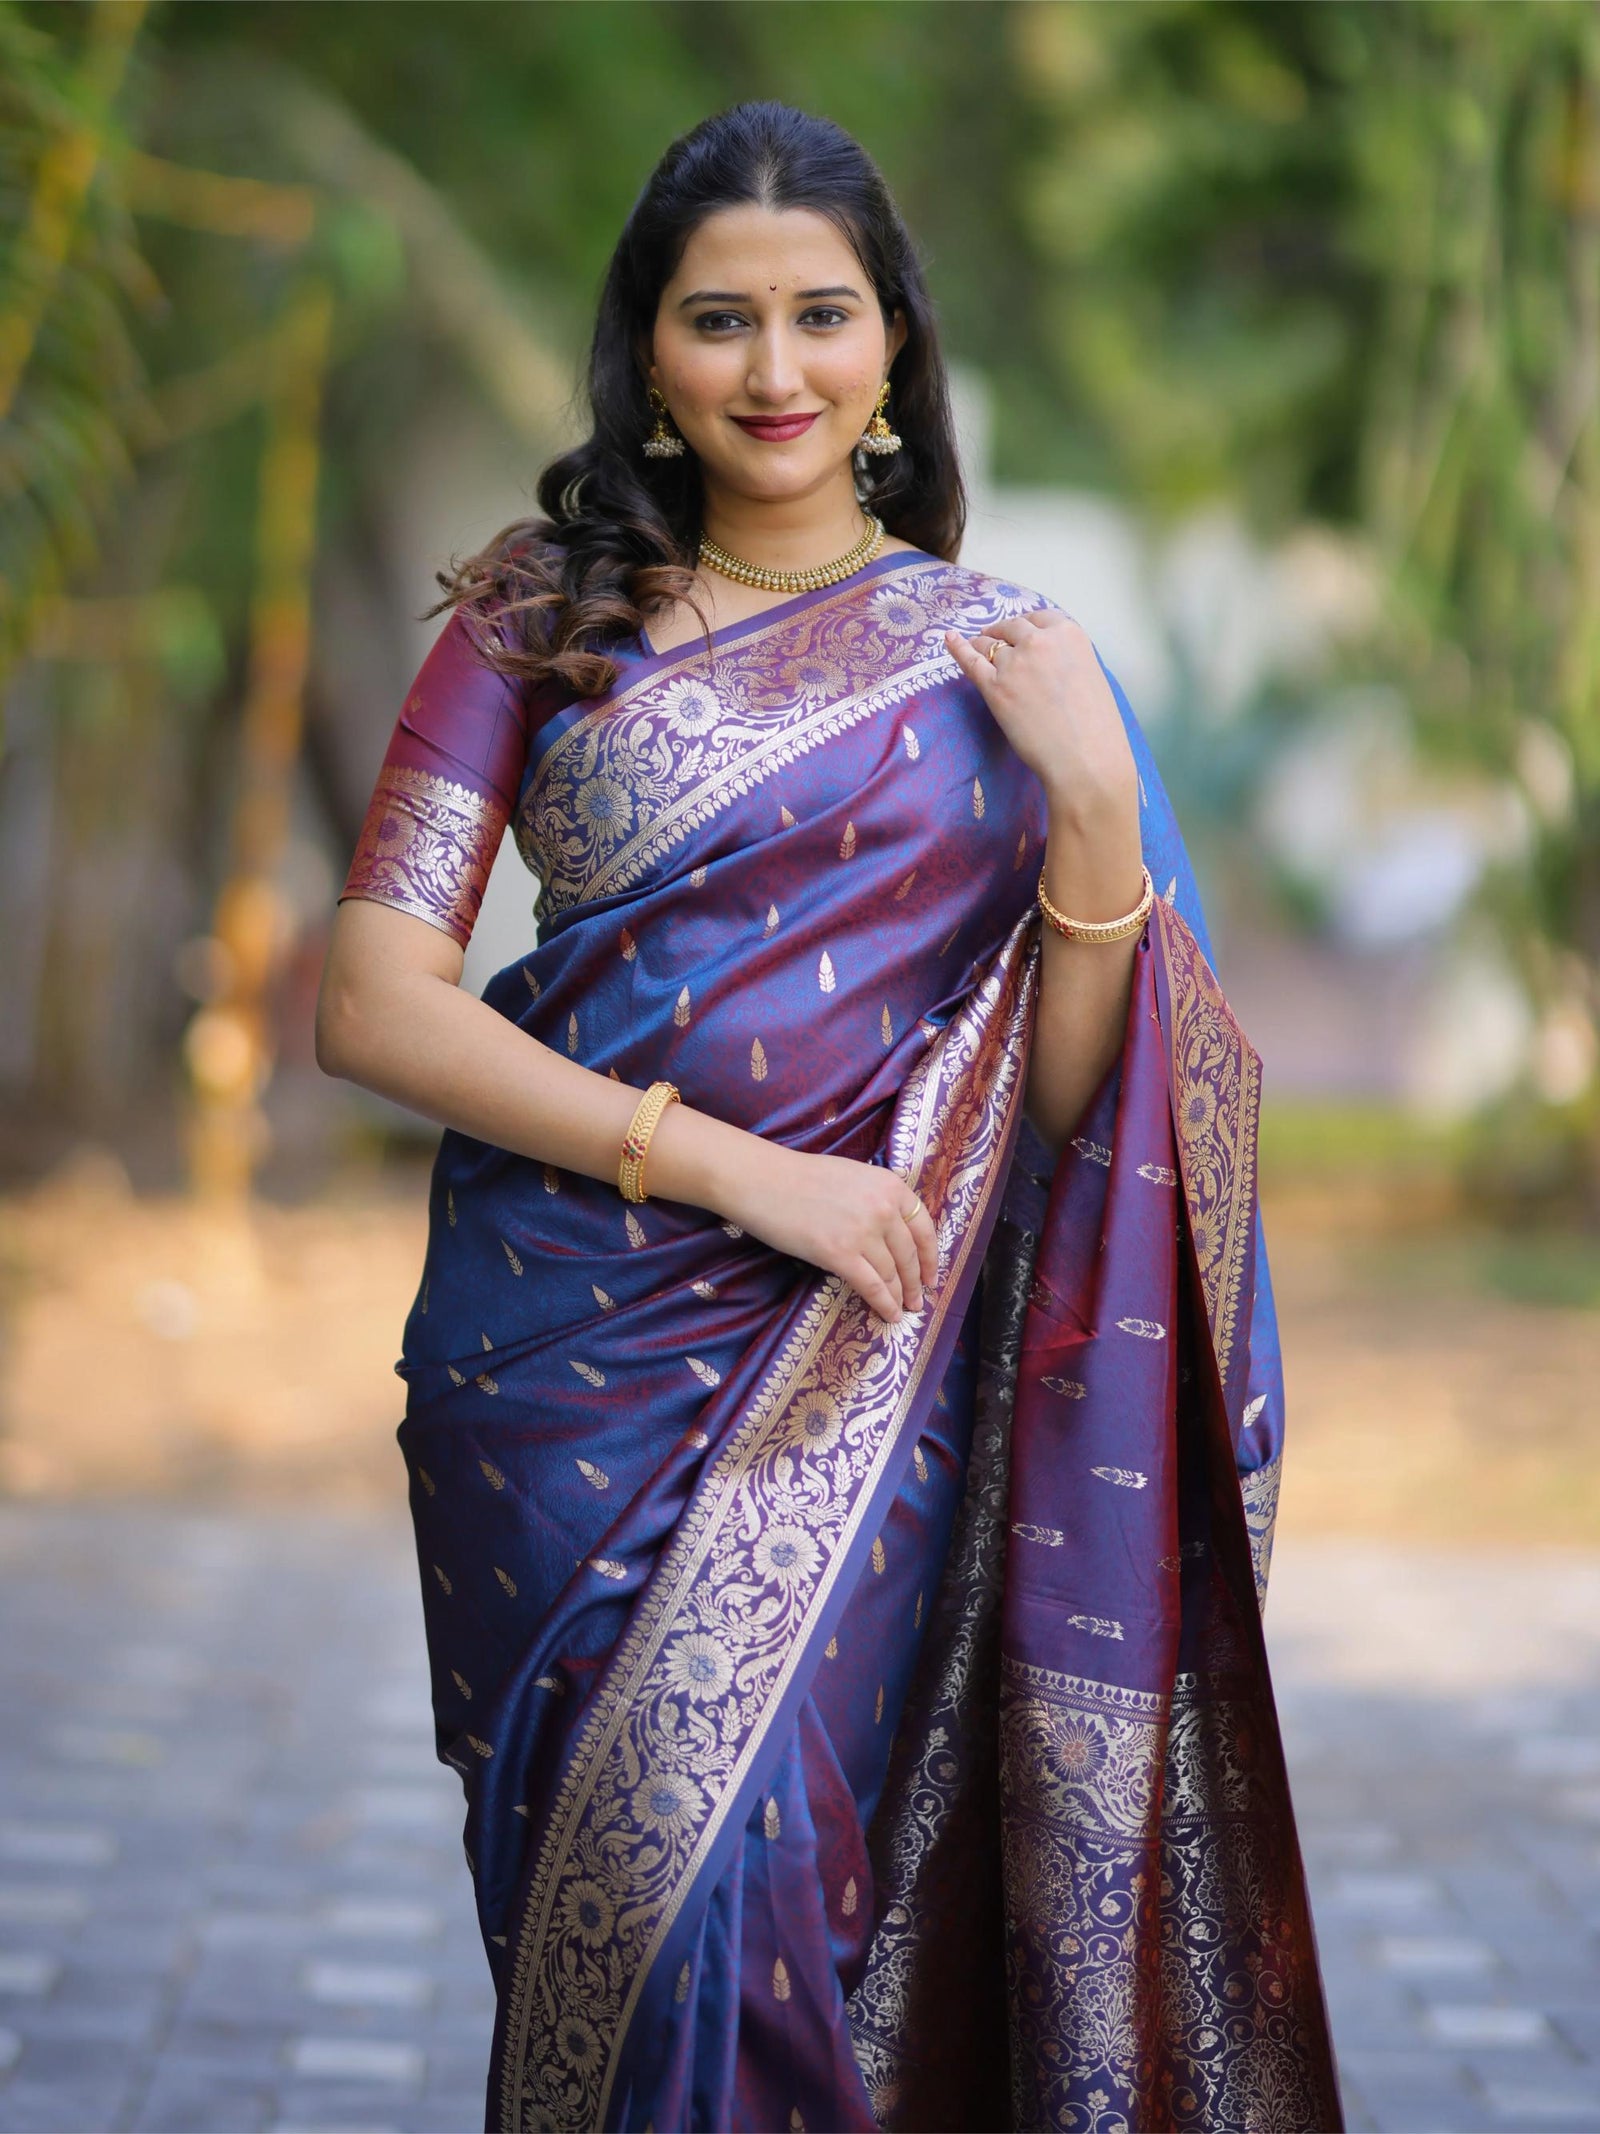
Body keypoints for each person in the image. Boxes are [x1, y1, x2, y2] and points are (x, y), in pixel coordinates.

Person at [317, 99, 1340, 2134]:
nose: (770, 371)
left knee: (752, 1888)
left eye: (817, 315)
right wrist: (724, 1164)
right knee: (609, 1901)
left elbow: (1067, 1110)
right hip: (557, 1370)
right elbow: (367, 998)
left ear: (889, 349)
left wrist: (1093, 817)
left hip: (859, 1370)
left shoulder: (1006, 664)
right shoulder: (534, 614)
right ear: (646, 349)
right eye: (718, 321)